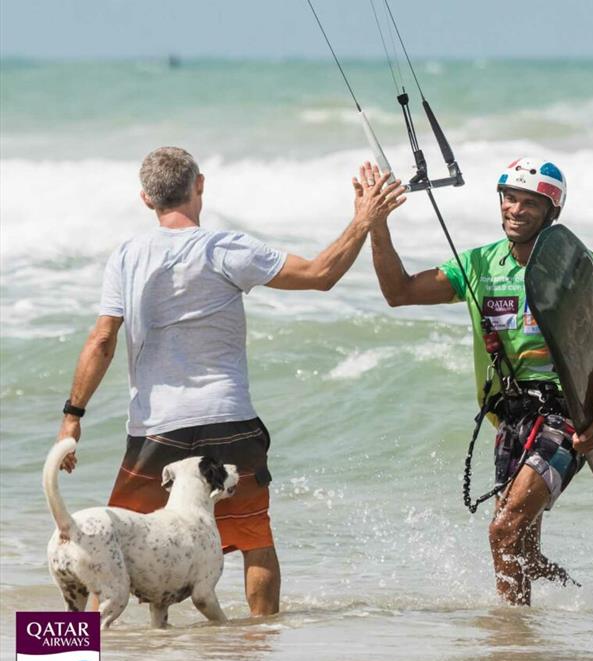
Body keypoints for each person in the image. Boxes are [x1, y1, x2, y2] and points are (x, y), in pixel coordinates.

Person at [55, 146, 404, 617]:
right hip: (228, 421)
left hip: (154, 427)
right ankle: (256, 653)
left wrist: (72, 417)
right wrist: (363, 218)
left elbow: (101, 340)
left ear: (145, 199)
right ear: (199, 185)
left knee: (101, 545)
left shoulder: (126, 257)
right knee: (252, 535)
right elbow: (322, 274)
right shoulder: (224, 248)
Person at [361, 156, 593, 605]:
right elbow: (399, 292)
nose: (514, 209)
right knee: (523, 551)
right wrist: (376, 225)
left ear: (552, 212)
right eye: (508, 198)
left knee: (503, 529)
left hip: (564, 415)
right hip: (511, 418)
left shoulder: (577, 267)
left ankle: (512, 639)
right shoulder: (477, 266)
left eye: (529, 202)